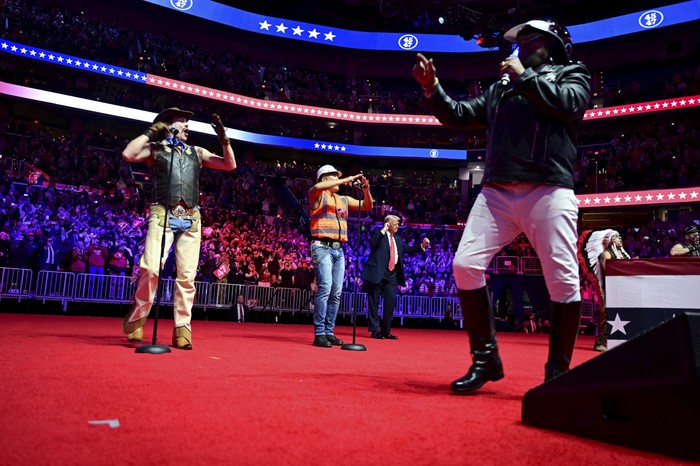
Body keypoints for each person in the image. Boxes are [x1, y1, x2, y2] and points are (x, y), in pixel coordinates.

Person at [413, 19, 591, 391]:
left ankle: (557, 374)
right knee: (464, 265)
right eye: (518, 42)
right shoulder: (502, 87)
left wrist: (525, 77)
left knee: (563, 280)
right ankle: (486, 359)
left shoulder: (572, 74)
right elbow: (460, 115)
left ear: (553, 45)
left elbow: (569, 105)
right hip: (497, 192)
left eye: (528, 41)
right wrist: (433, 88)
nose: (519, 47)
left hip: (548, 190)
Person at [121, 107, 236, 349]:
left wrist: (223, 139)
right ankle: (138, 318)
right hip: (162, 213)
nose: (187, 126)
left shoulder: (197, 152)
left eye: (187, 122)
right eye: (182, 122)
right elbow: (128, 153)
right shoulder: (156, 149)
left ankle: (182, 328)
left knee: (186, 277)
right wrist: (153, 132)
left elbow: (229, 164)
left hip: (192, 217)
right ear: (168, 126)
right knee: (151, 268)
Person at [308, 164, 373, 348]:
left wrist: (366, 190)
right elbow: (315, 188)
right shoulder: (317, 195)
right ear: (324, 178)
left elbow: (367, 205)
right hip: (322, 247)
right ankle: (319, 333)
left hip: (338, 249)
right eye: (334, 176)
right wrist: (347, 178)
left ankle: (329, 332)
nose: (338, 180)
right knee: (325, 288)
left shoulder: (343, 199)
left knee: (336, 292)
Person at [361, 214, 429, 340]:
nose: (398, 226)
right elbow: (372, 242)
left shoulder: (397, 239)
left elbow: (408, 249)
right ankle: (375, 330)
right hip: (378, 274)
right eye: (396, 224)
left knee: (390, 303)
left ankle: (385, 331)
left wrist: (422, 246)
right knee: (374, 303)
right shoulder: (379, 234)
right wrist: (383, 230)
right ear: (388, 224)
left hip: (392, 275)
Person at [579, 229, 631, 352]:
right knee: (608, 314)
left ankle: (620, 341)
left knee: (623, 315)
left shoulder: (623, 254)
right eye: (617, 237)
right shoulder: (606, 254)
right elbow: (608, 271)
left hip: (623, 289)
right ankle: (600, 342)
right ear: (611, 241)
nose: (620, 239)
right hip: (610, 289)